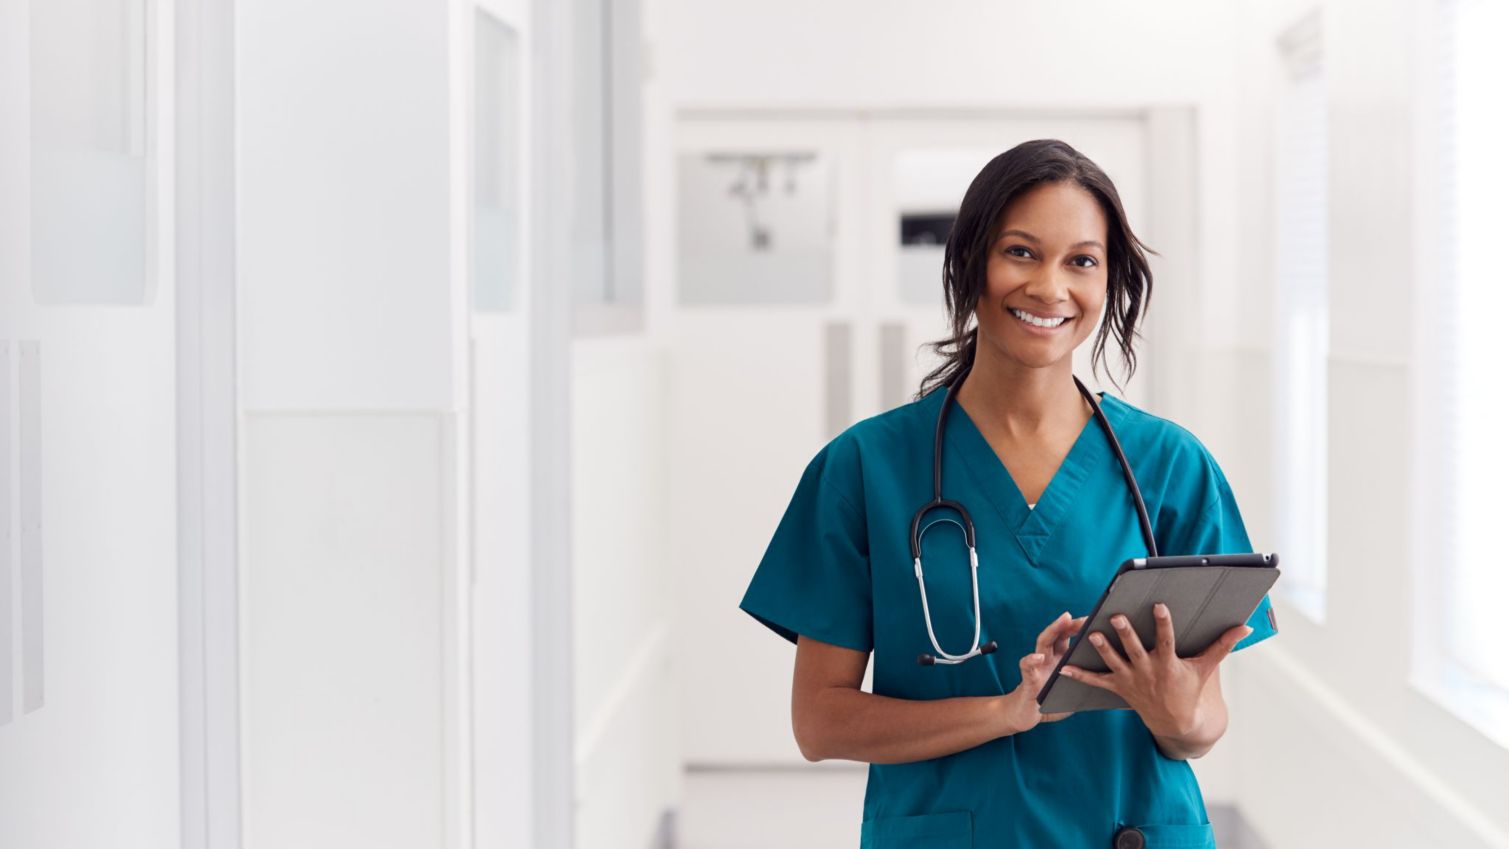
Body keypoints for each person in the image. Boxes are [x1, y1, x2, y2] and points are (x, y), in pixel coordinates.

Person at [738, 138, 1278, 849]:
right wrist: (1006, 709)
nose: (1050, 287)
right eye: (1020, 251)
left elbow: (1201, 728)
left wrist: (1176, 710)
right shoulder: (863, 468)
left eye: (1080, 260)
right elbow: (819, 722)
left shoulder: (1171, 467)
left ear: (1108, 281)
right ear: (969, 263)